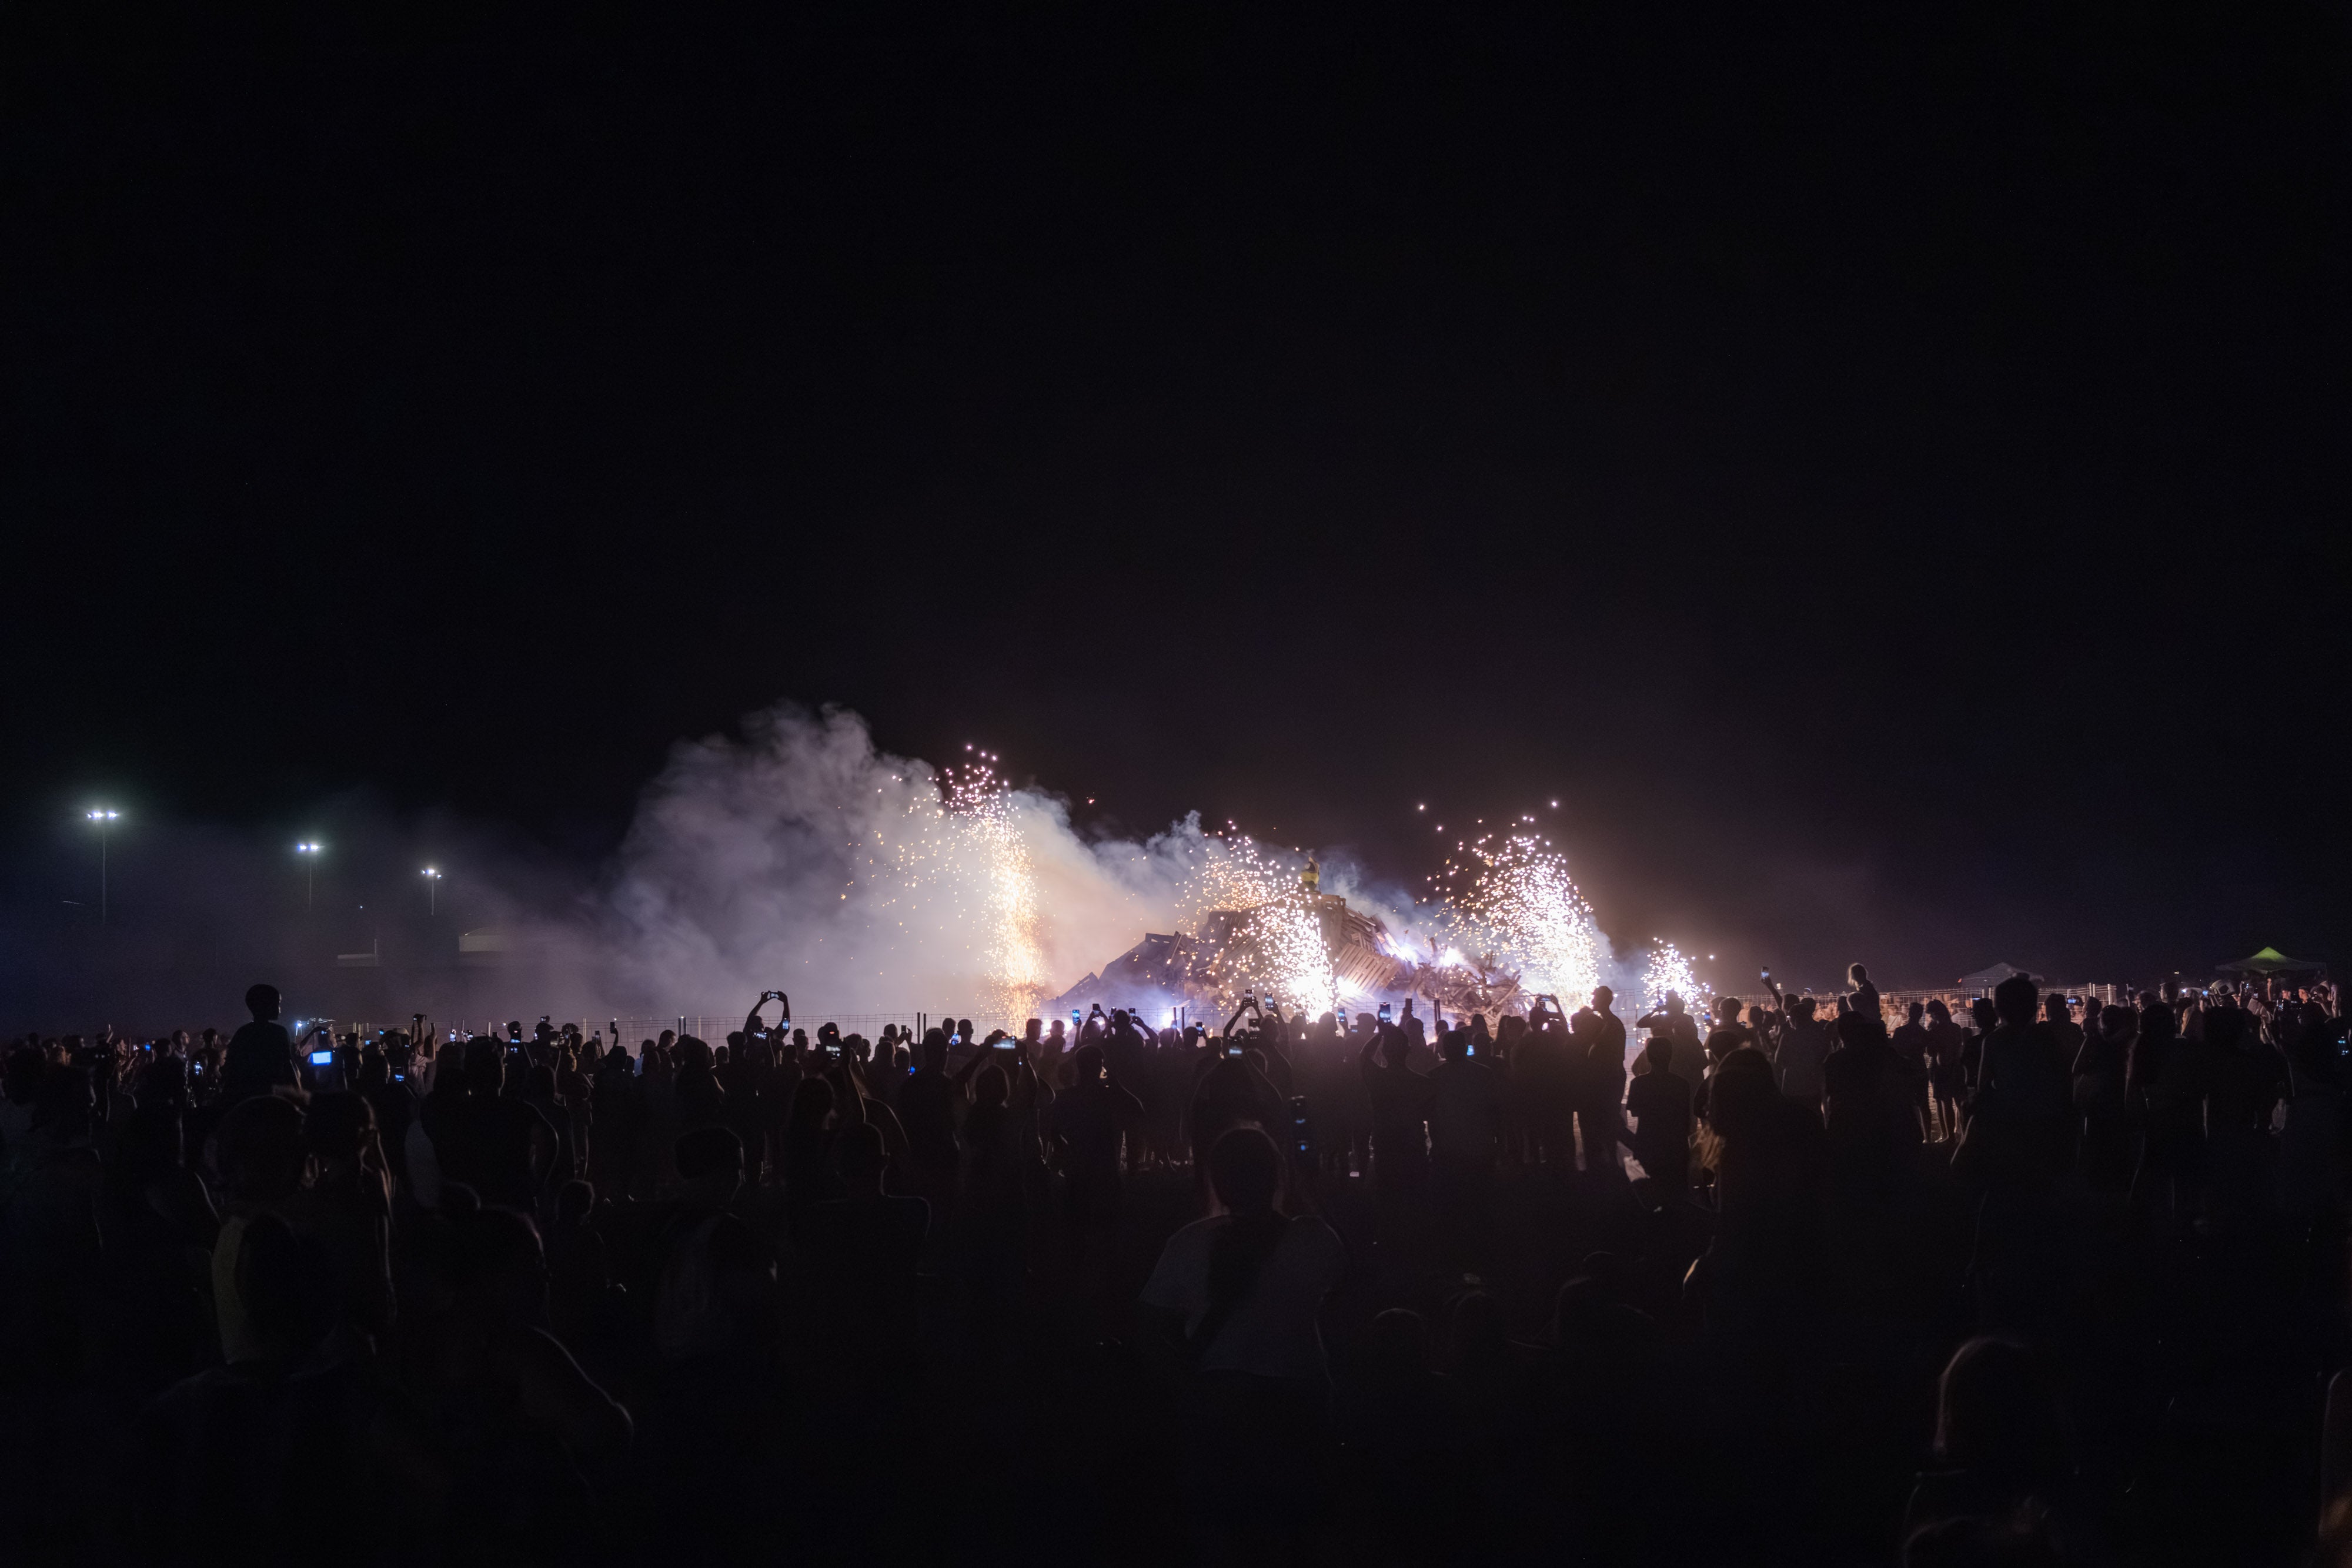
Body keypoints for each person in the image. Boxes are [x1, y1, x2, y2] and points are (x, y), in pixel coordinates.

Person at [1141, 1127, 1346, 1562]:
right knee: (1293, 1533)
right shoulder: (1311, 1238)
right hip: (1296, 1396)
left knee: (1222, 1533)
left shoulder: (1188, 1242)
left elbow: (1150, 1326)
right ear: (1276, 1175)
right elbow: (1343, 1276)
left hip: (1218, 1398)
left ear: (1217, 1179)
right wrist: (1305, 1187)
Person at [1621, 1036, 1693, 1197]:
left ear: (1648, 1057)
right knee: (1677, 1189)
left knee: (1651, 1190)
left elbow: (1634, 1111)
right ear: (1670, 1055)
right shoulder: (1682, 1084)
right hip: (1675, 1143)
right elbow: (1685, 1115)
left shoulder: (1639, 1083)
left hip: (1648, 1141)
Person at [219, 983, 295, 1101]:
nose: (280, 1009)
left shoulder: (242, 1032)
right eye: (278, 1004)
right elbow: (288, 1066)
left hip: (246, 1098)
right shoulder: (279, 1032)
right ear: (267, 1005)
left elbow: (232, 1068)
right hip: (272, 1096)